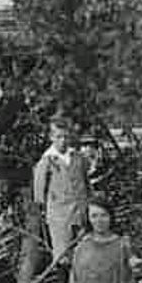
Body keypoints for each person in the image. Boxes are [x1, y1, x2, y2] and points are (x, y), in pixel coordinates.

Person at [32, 114, 91, 266]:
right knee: (63, 257)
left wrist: (88, 207)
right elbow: (39, 193)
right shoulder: (47, 161)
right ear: (51, 137)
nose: (62, 141)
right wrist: (48, 211)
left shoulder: (78, 157)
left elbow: (86, 183)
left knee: (84, 254)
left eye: (65, 137)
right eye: (58, 137)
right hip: (60, 216)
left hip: (81, 213)